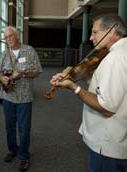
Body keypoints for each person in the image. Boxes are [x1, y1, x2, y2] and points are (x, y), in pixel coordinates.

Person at [50, 14, 127, 172]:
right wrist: (84, 76)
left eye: (95, 32)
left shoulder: (115, 59)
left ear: (111, 31)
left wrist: (74, 87)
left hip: (106, 145)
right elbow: (106, 87)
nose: (91, 38)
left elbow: (106, 108)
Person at [0, 26, 42, 171]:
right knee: (9, 126)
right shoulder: (4, 53)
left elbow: (37, 71)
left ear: (17, 36)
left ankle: (24, 156)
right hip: (7, 95)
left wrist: (23, 74)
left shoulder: (29, 51)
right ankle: (12, 150)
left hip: (24, 96)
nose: (7, 39)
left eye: (10, 36)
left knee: (24, 128)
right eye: (5, 37)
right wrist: (1, 78)